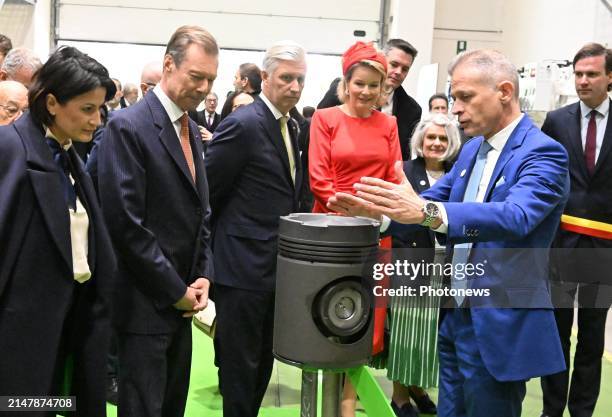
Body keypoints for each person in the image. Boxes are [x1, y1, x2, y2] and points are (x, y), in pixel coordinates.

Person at [329, 49, 569, 417]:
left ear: (504, 91)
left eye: (465, 97)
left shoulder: (543, 153)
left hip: (497, 321)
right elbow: (429, 202)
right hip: (454, 313)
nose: (455, 109)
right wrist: (378, 214)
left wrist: (424, 211)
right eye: (454, 97)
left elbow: (517, 215)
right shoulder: (473, 150)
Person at [97, 25, 216, 417]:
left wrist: (203, 276)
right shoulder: (127, 126)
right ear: (169, 65)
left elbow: (203, 212)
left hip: (183, 302)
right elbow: (126, 226)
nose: (202, 88)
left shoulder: (192, 130)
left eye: (210, 79)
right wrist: (174, 290)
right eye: (196, 76)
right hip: (144, 305)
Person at [0, 45, 117, 417]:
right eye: (86, 109)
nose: (96, 120)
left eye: (100, 109)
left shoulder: (69, 154)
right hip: (20, 335)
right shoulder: (10, 148)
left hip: (70, 327)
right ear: (51, 103)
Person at [205, 40, 306, 417]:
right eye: (286, 78)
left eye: (300, 79)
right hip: (241, 269)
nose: (294, 87)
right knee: (239, 368)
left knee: (262, 361)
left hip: (273, 269)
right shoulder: (244, 124)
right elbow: (209, 194)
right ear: (264, 78)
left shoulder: (290, 125)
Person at [309, 41, 402, 417]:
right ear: (345, 83)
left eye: (374, 85)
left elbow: (396, 178)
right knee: (327, 313)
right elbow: (320, 180)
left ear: (383, 88)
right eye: (359, 83)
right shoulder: (325, 119)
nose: (366, 92)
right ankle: (324, 397)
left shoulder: (390, 124)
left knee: (367, 318)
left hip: (376, 233)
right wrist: (355, 211)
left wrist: (375, 215)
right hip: (332, 233)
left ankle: (347, 399)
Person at [540, 42, 612, 417]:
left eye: (592, 74)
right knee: (556, 332)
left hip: (604, 249)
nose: (583, 81)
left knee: (591, 336)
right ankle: (551, 410)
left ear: (610, 77)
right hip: (560, 245)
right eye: (579, 74)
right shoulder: (556, 120)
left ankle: (582, 411)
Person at [383, 114, 461, 417]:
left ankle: (418, 388)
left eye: (443, 138)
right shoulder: (404, 171)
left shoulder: (458, 174)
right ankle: (400, 397)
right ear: (420, 141)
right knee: (406, 333)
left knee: (432, 335)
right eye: (431, 138)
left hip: (447, 267)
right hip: (410, 263)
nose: (437, 143)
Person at [318, 38, 422, 160]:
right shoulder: (342, 91)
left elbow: (404, 156)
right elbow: (318, 138)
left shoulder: (412, 109)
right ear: (382, 61)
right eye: (394, 65)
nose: (398, 72)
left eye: (405, 69)